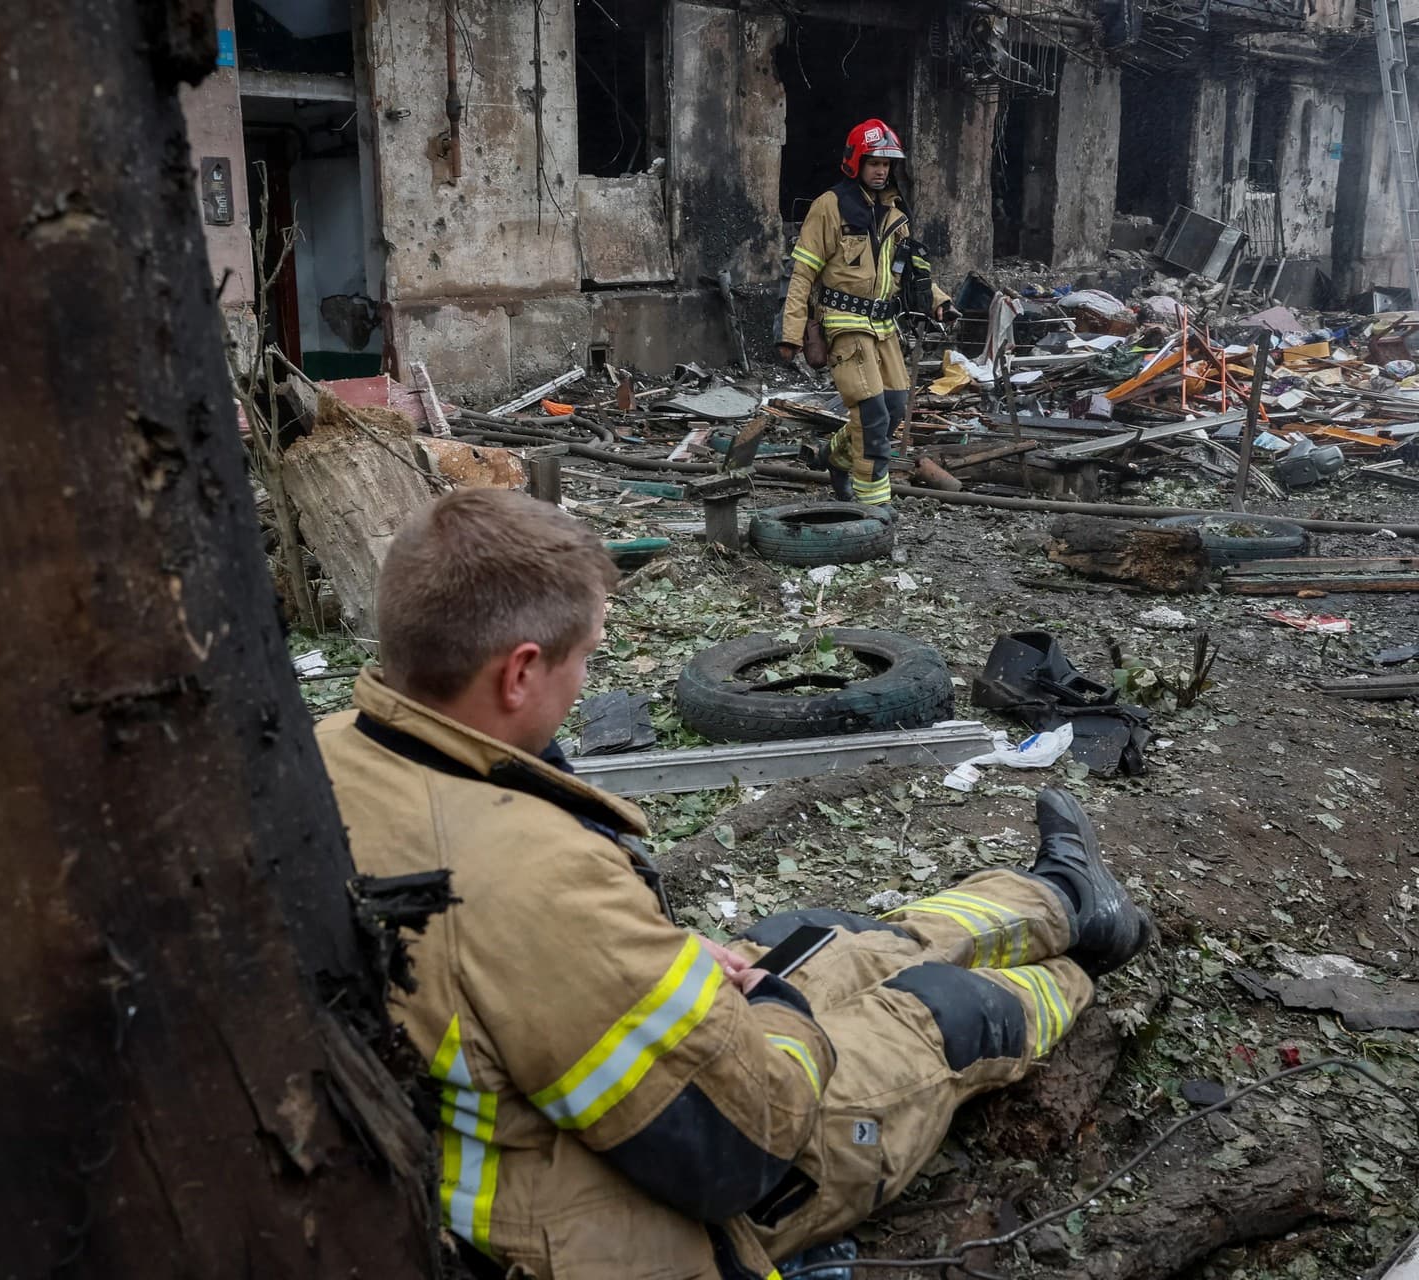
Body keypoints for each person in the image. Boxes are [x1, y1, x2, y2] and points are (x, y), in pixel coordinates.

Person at [315, 488, 1153, 1280]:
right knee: (939, 1011)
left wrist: (710, 975)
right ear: (520, 673)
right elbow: (745, 1146)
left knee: (833, 937)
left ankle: (1066, 899)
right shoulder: (538, 877)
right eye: (585, 659)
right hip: (610, 1220)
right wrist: (777, 1010)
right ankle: (1075, 973)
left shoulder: (329, 750)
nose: (585, 686)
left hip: (517, 1092)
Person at [778, 118, 961, 521]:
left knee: (894, 407)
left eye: (887, 164)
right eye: (874, 162)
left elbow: (912, 274)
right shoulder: (829, 207)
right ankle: (873, 502)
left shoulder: (895, 212)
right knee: (871, 414)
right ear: (855, 162)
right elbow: (803, 274)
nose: (881, 170)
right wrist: (791, 333)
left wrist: (939, 302)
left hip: (883, 327)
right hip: (844, 325)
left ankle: (836, 457)